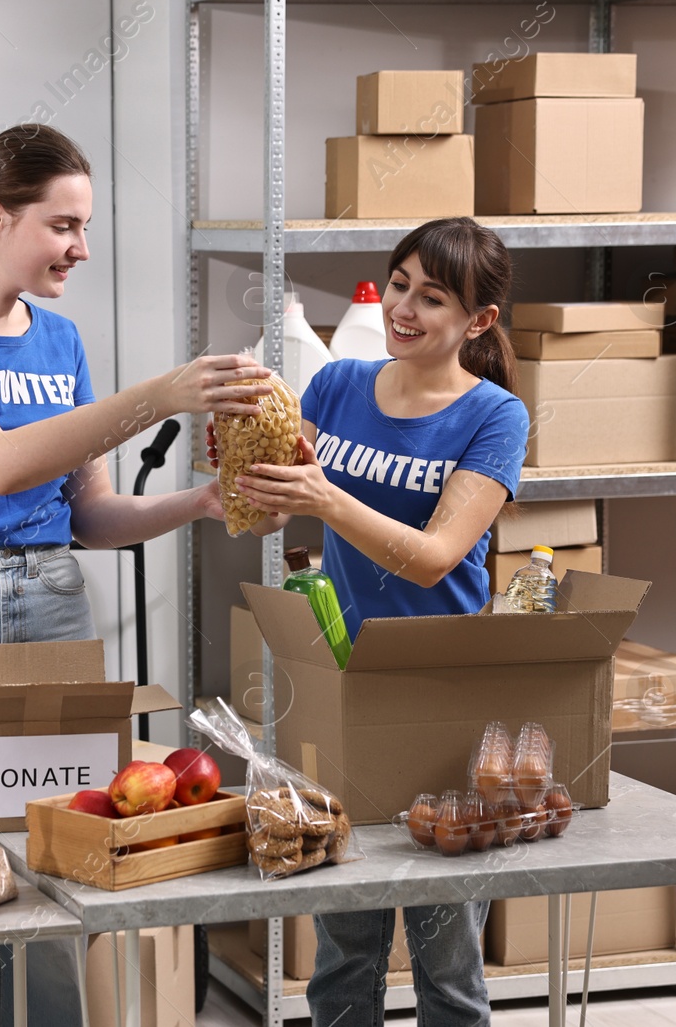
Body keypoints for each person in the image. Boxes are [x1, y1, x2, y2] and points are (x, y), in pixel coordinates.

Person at [0, 122, 269, 1026]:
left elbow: (89, 515)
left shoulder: (60, 340)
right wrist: (156, 396)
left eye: (85, 227)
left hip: (50, 608)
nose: (80, 247)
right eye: (63, 225)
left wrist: (197, 504)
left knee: (55, 870)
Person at [230, 217, 529, 1027]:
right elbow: (275, 520)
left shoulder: (495, 417)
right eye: (399, 283)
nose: (404, 307)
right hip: (342, 682)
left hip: (440, 696)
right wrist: (250, 478)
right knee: (344, 952)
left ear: (479, 322)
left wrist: (325, 496)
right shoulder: (336, 385)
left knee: (448, 963)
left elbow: (435, 556)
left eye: (432, 298)